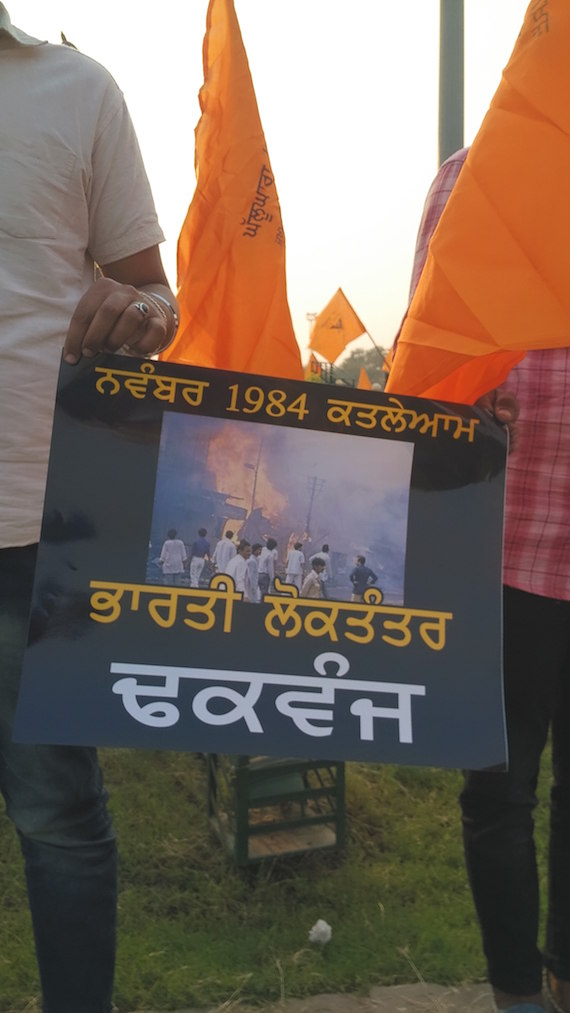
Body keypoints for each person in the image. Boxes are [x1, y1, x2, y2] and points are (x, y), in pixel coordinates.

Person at [0, 8, 180, 1011]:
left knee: (60, 819)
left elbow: (153, 294)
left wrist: (142, 313)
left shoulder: (80, 91)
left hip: (39, 530)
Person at [394, 147, 569, 1013]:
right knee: (499, 790)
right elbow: (424, 354)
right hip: (501, 551)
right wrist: (460, 402)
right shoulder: (477, 176)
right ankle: (516, 994)